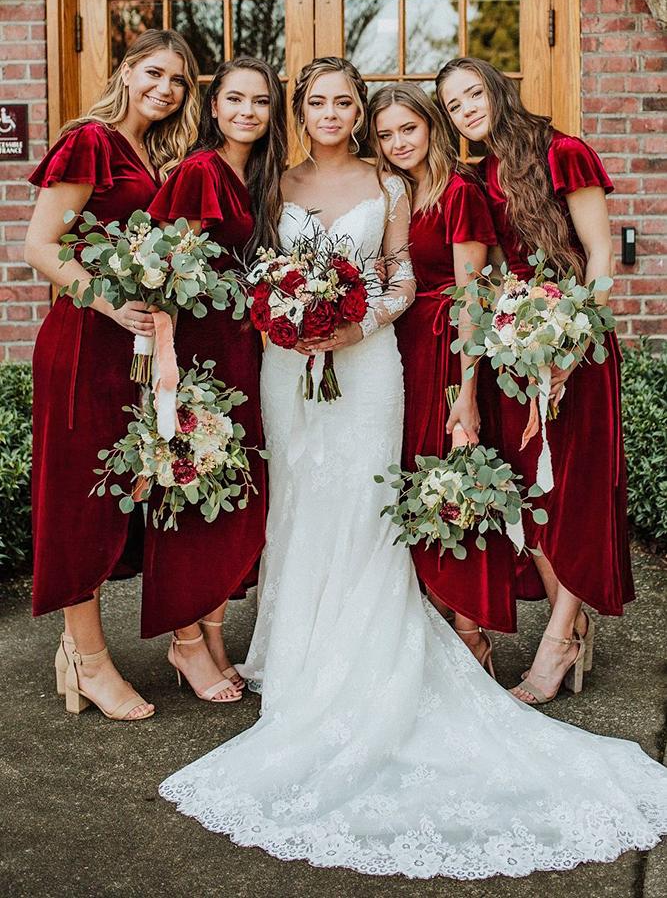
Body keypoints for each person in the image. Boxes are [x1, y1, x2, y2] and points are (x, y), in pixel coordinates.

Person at [158, 58, 667, 879]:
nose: (330, 113)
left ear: (358, 112)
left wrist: (356, 323)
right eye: (315, 102)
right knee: (296, 500)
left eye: (344, 103)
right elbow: (249, 268)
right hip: (286, 366)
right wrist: (283, 315)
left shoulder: (389, 183)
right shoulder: (270, 183)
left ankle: (387, 646)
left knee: (364, 501)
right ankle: (290, 652)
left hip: (368, 364)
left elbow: (399, 273)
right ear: (301, 109)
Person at [436, 57, 633, 705]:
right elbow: (490, 272)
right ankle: (569, 624)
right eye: (452, 104)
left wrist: (571, 349)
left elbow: (599, 257)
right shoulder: (477, 176)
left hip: (578, 345)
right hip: (515, 348)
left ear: (497, 90)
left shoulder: (564, 152)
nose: (465, 108)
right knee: (529, 493)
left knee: (573, 492)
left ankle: (555, 646)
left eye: (472, 93)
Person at [25, 29, 199, 721]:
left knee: (124, 497)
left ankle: (103, 649)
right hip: (83, 343)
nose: (164, 89)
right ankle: (87, 659)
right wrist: (106, 302)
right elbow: (40, 245)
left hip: (130, 352)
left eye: (179, 82)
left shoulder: (152, 156)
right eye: (153, 73)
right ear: (126, 72)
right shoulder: (91, 141)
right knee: (79, 502)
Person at [141, 57, 286, 703]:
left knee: (232, 500)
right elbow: (168, 271)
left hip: (240, 355)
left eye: (259, 101)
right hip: (196, 353)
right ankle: (186, 640)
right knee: (192, 491)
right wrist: (166, 369)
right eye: (234, 98)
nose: (247, 111)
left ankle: (214, 633)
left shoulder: (257, 175)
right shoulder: (200, 172)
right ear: (214, 105)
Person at [369, 82, 518, 667]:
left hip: (446, 349)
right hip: (395, 349)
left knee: (454, 477)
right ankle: (426, 625)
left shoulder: (460, 192)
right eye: (385, 134)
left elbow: (471, 296)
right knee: (409, 482)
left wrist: (469, 393)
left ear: (431, 125)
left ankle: (470, 629)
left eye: (409, 128)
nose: (398, 142)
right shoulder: (392, 190)